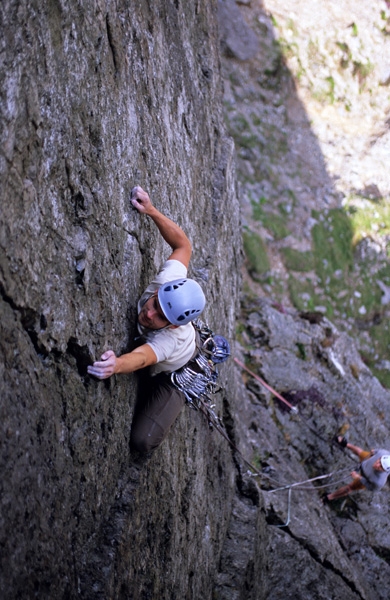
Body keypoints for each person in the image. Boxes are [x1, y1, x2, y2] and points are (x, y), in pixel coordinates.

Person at [87, 185, 206, 455]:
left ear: (174, 324)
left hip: (177, 369)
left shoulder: (169, 339)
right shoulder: (167, 282)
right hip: (176, 339)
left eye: (160, 317)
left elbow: (141, 358)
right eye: (154, 304)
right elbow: (183, 245)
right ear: (158, 292)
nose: (148, 313)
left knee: (142, 442)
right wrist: (151, 210)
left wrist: (116, 365)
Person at [325, 437, 390, 501]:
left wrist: (359, 477)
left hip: (365, 477)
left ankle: (329, 497)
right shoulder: (383, 453)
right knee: (360, 452)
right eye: (379, 461)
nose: (377, 465)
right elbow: (375, 451)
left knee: (349, 488)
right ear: (380, 457)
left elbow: (371, 488)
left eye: (381, 467)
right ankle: (345, 444)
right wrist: (371, 453)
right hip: (367, 460)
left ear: (384, 470)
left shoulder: (379, 482)